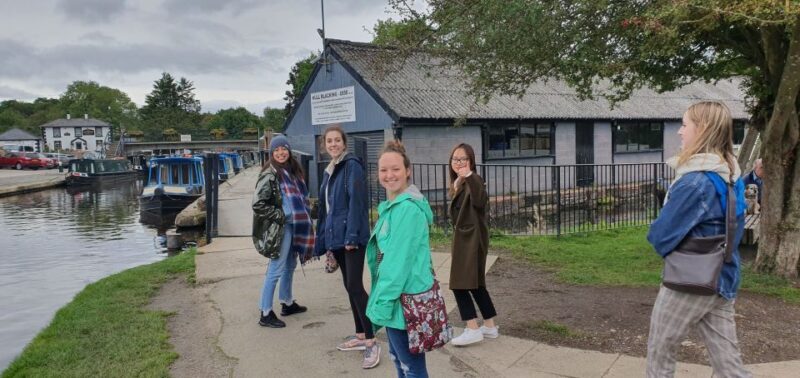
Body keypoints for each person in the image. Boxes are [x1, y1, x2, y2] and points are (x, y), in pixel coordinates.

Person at [645, 101, 750, 377]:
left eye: (684, 125)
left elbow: (661, 236)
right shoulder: (730, 173)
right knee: (728, 366)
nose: (680, 132)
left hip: (692, 280)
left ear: (701, 129)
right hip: (724, 275)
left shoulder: (696, 182)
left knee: (660, 352)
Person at [366, 140, 434, 378]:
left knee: (411, 369)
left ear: (408, 171)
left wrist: (380, 306)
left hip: (403, 302)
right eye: (384, 170)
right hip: (398, 301)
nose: (389, 175)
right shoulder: (393, 206)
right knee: (400, 361)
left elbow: (396, 266)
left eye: (395, 169)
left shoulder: (406, 210)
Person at [313, 125, 378, 369]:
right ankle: (360, 335)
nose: (333, 144)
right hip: (337, 237)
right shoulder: (331, 170)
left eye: (337, 140)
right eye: (329, 141)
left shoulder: (351, 165)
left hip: (352, 237)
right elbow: (327, 209)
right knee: (348, 286)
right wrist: (324, 241)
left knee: (355, 286)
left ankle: (372, 340)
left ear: (344, 143)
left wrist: (351, 236)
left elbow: (356, 203)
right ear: (324, 144)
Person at [252, 135, 315, 328]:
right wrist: (281, 215)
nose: (281, 153)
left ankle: (287, 302)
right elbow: (258, 204)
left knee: (290, 265)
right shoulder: (269, 175)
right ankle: (265, 312)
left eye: (284, 149)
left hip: (294, 225)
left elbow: (302, 198)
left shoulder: (293, 172)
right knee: (276, 268)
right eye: (276, 150)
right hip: (282, 227)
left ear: (289, 150)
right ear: (271, 154)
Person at [446, 143, 499, 346]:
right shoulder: (459, 183)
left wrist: (469, 175)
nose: (458, 163)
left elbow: (479, 200)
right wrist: (460, 181)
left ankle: (472, 328)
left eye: (463, 159)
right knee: (476, 284)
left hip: (470, 240)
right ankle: (490, 326)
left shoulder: (474, 180)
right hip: (468, 239)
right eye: (455, 159)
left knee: (458, 284)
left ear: (471, 161)